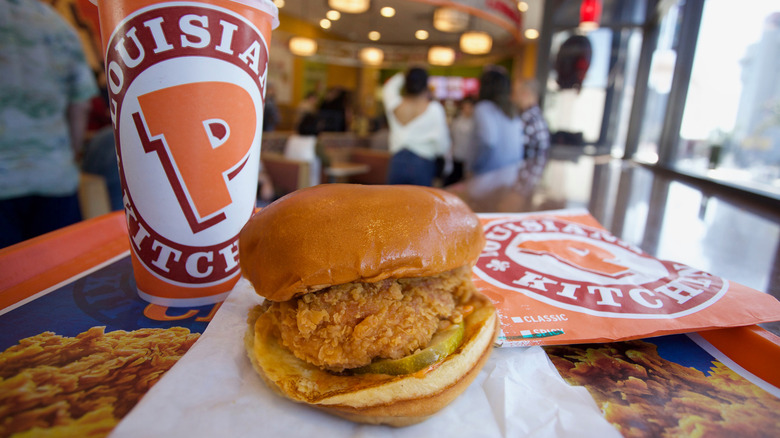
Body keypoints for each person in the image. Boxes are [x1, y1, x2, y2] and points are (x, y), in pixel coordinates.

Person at [0, 0, 99, 249]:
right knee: (58, 275)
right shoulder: (57, 25)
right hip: (54, 174)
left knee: (8, 282)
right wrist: (72, 156)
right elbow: (81, 105)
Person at [382, 68, 451, 186]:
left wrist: (406, 74)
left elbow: (388, 87)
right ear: (426, 85)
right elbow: (442, 146)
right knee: (421, 203)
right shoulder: (434, 109)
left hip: (396, 162)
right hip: (422, 163)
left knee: (394, 203)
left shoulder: (394, 103)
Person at [470, 67, 524, 175]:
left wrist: (473, 167)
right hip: (511, 172)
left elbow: (488, 141)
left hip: (488, 174)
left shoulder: (483, 108)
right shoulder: (511, 110)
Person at [283, 113, 329, 187]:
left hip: (289, 181)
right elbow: (327, 162)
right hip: (308, 185)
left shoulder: (291, 139)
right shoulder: (315, 142)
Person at [514, 78, 551, 162]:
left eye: (518, 94)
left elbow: (515, 149)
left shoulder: (527, 118)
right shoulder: (539, 116)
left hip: (525, 170)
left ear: (525, 94)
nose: (516, 99)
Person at [444, 96, 476, 186]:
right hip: (456, 157)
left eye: (469, 107)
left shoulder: (476, 122)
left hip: (469, 159)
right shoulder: (457, 121)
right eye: (465, 106)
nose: (467, 109)